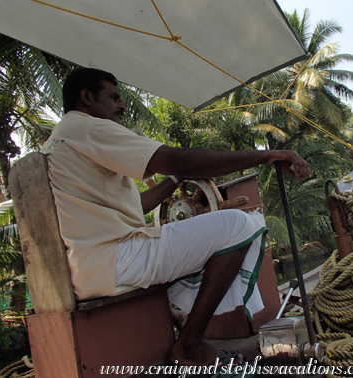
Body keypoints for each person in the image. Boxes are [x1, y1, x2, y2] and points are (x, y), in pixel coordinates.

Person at [40, 67, 310, 367]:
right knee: (239, 225)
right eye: (114, 97)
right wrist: (266, 156)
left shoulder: (58, 140)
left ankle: (177, 317)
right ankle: (190, 344)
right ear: (87, 97)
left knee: (186, 237)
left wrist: (175, 178)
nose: (123, 106)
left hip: (89, 268)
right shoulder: (87, 127)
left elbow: (139, 205)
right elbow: (178, 158)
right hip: (115, 261)